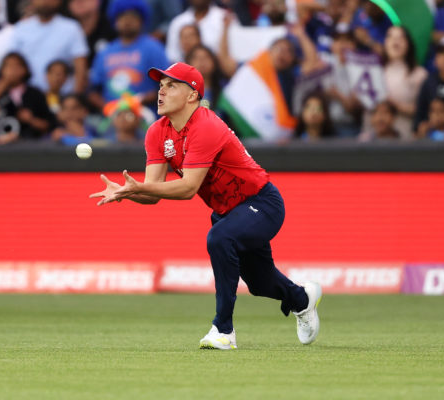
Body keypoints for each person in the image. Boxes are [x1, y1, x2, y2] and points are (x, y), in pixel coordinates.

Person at [89, 62, 322, 349]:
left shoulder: (206, 125)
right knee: (260, 284)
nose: (161, 91)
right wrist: (127, 191)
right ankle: (302, 299)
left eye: (171, 85)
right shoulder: (156, 133)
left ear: (192, 95)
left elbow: (188, 188)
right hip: (229, 212)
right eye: (160, 85)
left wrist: (139, 187)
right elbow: (153, 192)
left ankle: (223, 330)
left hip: (263, 203)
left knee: (219, 238)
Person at [88, 0, 168, 112]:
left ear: (141, 20)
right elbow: (92, 91)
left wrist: (138, 100)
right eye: (122, 16)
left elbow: (167, 85)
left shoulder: (154, 48)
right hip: (112, 120)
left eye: (132, 16)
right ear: (115, 21)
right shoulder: (105, 52)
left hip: (146, 117)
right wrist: (109, 108)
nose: (127, 21)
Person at [8, 0, 89, 95]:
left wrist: (75, 99)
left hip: (63, 97)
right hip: (29, 98)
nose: (45, 2)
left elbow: (81, 68)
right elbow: (12, 65)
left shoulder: (72, 28)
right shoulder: (21, 28)